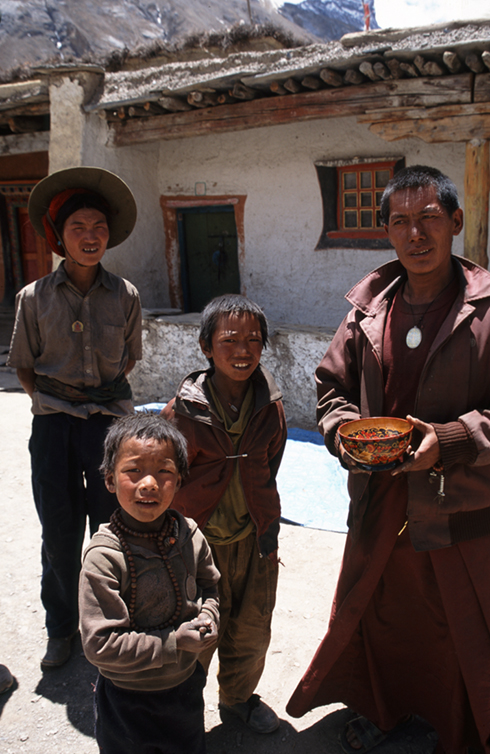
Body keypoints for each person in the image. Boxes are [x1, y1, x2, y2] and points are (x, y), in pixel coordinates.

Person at [287, 165, 490, 753]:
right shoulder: (365, 311)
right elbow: (332, 388)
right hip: (379, 501)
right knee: (382, 615)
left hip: (461, 507)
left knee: (456, 625)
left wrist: (448, 440)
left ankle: (457, 732)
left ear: (455, 222)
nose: (415, 234)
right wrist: (343, 429)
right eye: (399, 222)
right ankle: (386, 709)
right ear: (385, 233)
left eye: (429, 218)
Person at [7, 167, 142, 669]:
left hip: (109, 427)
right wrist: (59, 402)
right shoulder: (33, 298)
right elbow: (24, 366)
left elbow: (128, 360)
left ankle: (110, 622)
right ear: (59, 237)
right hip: (54, 428)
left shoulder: (125, 296)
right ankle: (60, 628)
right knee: (59, 533)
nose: (91, 237)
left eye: (99, 228)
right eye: (79, 228)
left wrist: (95, 402)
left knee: (113, 528)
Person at [162, 294, 287, 734]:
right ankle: (180, 712)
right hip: (198, 549)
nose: (242, 350)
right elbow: (165, 480)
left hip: (255, 542)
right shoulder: (183, 413)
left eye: (254, 340)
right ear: (205, 346)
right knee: (196, 635)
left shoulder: (271, 408)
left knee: (251, 632)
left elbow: (271, 466)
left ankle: (238, 700)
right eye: (229, 339)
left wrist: (265, 525)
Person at [79, 412, 219, 754]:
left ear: (181, 479)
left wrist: (209, 617)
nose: (149, 484)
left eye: (164, 471)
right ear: (110, 480)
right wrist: (173, 643)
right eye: (133, 470)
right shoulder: (104, 558)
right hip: (128, 698)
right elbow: (101, 645)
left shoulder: (190, 536)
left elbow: (210, 587)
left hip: (184, 684)